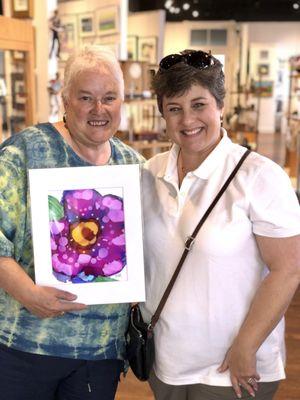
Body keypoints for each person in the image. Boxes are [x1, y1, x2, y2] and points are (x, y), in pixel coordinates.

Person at [140, 49, 300, 400]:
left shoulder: (259, 176)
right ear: (162, 113)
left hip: (232, 368)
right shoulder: (148, 174)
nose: (187, 120)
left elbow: (287, 269)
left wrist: (246, 346)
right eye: (175, 108)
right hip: (165, 363)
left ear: (221, 106)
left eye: (199, 105)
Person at [0, 45, 144, 399]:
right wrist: (28, 294)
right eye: (86, 97)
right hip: (26, 345)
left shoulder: (134, 165)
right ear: (65, 100)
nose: (99, 109)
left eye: (109, 98)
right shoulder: (24, 152)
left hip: (101, 351)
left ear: (122, 103)